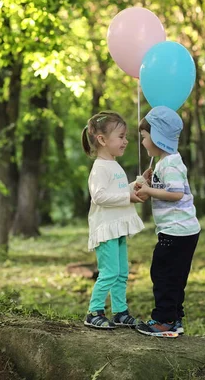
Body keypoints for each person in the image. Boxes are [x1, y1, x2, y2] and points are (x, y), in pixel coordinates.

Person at [134, 106, 201, 338]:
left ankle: (164, 320)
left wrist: (150, 190)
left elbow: (175, 194)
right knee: (174, 276)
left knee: (163, 274)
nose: (142, 142)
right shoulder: (165, 162)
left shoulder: (170, 163)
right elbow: (169, 189)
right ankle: (175, 318)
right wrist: (149, 182)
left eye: (144, 137)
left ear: (157, 137)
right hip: (181, 231)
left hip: (177, 232)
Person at [81, 111, 145, 329]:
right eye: (121, 136)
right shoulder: (99, 168)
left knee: (122, 273)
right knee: (109, 272)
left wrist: (132, 188)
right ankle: (94, 311)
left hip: (117, 228)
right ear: (102, 140)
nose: (125, 141)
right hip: (106, 228)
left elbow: (116, 193)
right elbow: (99, 197)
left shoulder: (114, 165)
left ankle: (120, 311)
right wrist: (127, 196)